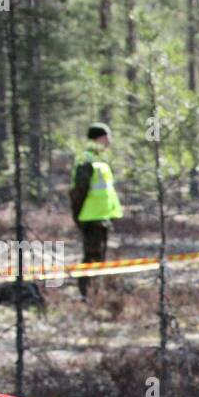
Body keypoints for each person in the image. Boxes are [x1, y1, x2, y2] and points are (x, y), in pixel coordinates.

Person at [69, 122, 123, 298]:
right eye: (106, 137)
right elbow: (78, 192)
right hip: (91, 218)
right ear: (97, 138)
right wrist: (79, 217)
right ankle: (86, 292)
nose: (109, 141)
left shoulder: (100, 160)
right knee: (92, 256)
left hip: (102, 218)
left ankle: (95, 292)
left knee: (99, 258)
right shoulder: (87, 161)